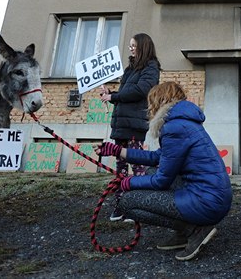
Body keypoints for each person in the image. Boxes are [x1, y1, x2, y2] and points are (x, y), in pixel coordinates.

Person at [94, 81, 232, 261]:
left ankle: (193, 230)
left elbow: (162, 181)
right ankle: (186, 231)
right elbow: (158, 157)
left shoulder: (174, 128)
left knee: (128, 202)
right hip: (213, 196)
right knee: (151, 171)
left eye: (151, 102)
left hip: (207, 201)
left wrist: (127, 182)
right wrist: (118, 151)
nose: (149, 107)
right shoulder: (183, 122)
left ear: (159, 101)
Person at [100, 33, 161, 221]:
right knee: (121, 167)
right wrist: (111, 94)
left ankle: (139, 206)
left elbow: (141, 90)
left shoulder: (151, 67)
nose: (131, 48)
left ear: (143, 46)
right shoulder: (129, 69)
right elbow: (126, 93)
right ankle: (121, 205)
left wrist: (115, 97)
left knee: (137, 166)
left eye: (134, 45)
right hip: (121, 124)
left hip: (134, 125)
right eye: (130, 45)